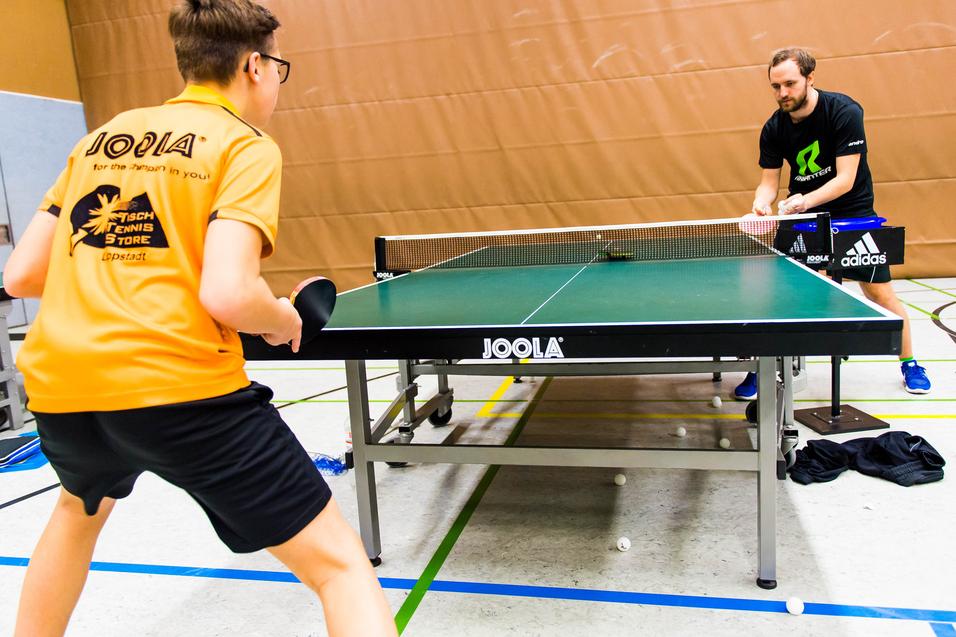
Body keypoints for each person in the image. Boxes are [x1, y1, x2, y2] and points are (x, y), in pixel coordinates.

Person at [4, 1, 397, 635]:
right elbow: (228, 293)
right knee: (341, 568)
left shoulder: (101, 137)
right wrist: (277, 319)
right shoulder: (244, 146)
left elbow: (20, 275)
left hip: (65, 390)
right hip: (179, 390)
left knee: (77, 518)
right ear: (253, 65)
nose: (275, 83)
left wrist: (124, 275)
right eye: (279, 68)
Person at [733, 47, 931, 400]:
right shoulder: (774, 127)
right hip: (802, 217)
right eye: (775, 87)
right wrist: (761, 204)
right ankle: (762, 371)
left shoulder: (844, 111)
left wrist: (803, 201)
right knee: (780, 298)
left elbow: (846, 178)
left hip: (852, 213)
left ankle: (910, 362)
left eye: (790, 84)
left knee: (879, 293)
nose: (783, 94)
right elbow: (768, 181)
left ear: (811, 78)